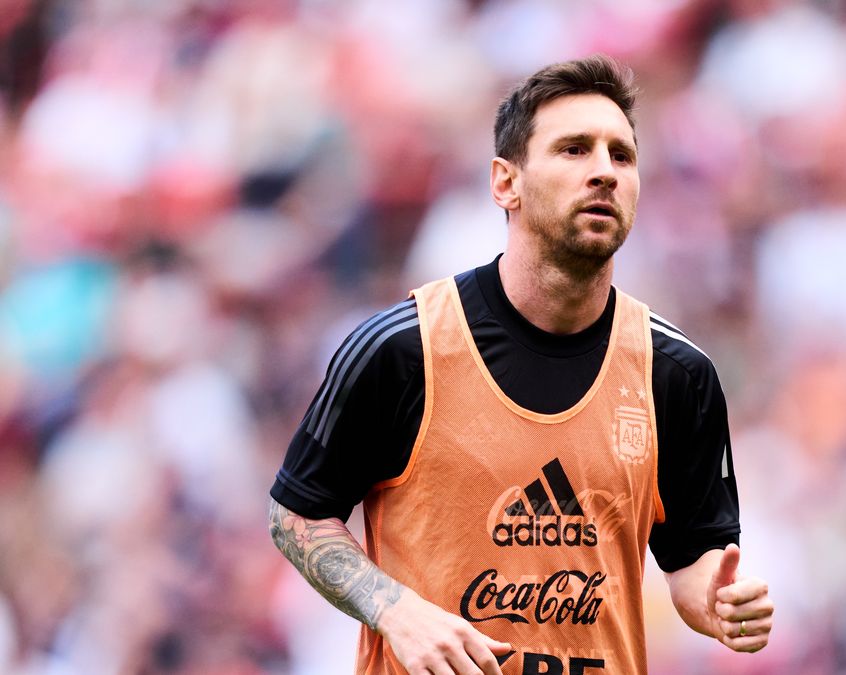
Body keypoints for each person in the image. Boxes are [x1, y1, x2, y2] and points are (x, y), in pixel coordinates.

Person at [268, 54, 773, 674]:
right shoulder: (404, 350)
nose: (604, 172)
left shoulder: (678, 374)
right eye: (574, 150)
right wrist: (395, 609)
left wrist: (719, 605)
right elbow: (297, 511)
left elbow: (692, 562)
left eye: (622, 155)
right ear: (506, 182)